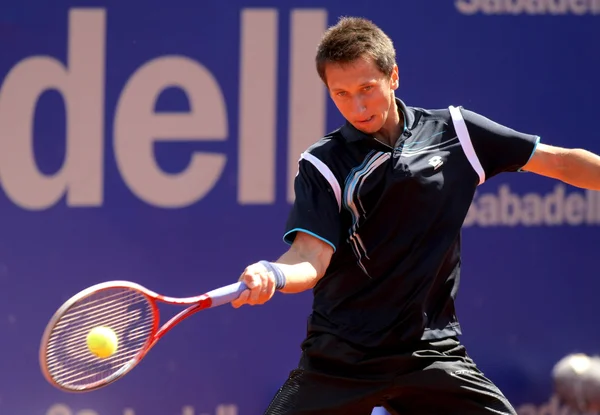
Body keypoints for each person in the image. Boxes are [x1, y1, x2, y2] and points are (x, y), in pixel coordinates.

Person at [231, 16, 600, 415]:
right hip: (341, 359)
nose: (357, 106)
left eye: (367, 89)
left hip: (431, 353)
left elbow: (561, 164)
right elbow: (310, 256)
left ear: (394, 77)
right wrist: (274, 272)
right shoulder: (323, 164)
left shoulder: (457, 133)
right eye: (340, 94)